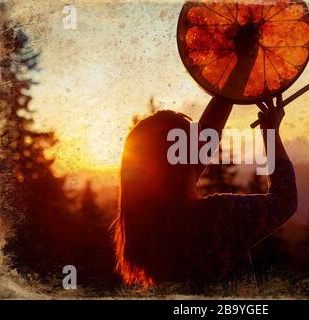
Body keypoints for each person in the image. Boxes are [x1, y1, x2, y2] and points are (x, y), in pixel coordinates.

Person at [113, 24, 297, 288]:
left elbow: (205, 138)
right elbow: (285, 201)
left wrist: (243, 63)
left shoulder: (148, 232)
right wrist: (271, 133)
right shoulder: (218, 218)